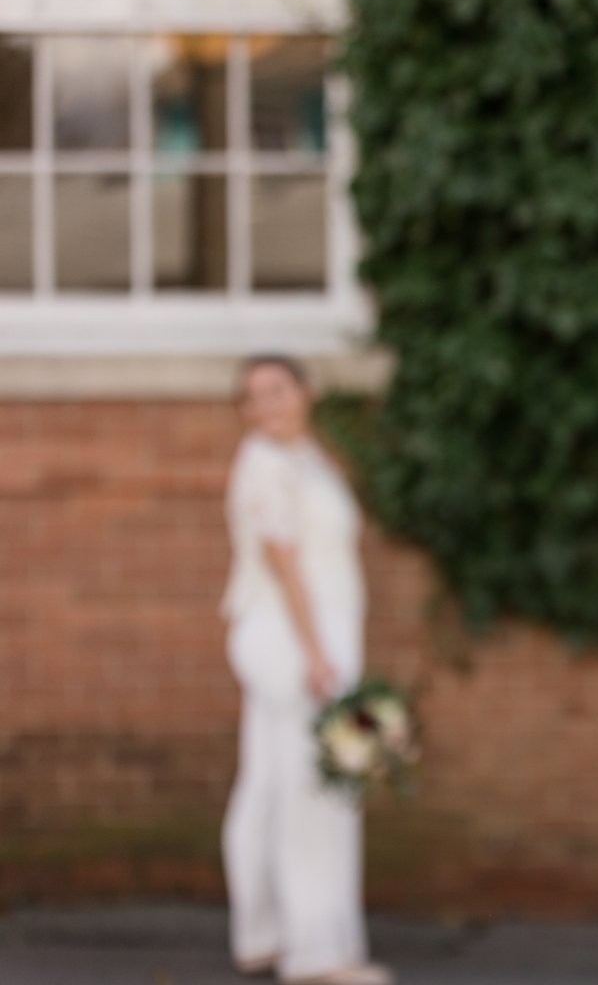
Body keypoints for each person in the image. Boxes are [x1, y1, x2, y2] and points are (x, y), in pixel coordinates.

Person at [220, 356, 393, 985]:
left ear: (306, 392)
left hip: (304, 638)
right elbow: (282, 558)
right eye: (251, 396)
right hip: (295, 641)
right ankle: (319, 955)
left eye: (275, 390)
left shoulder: (304, 457)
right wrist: (317, 652)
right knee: (315, 790)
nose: (263, 404)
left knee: (268, 783)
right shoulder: (265, 463)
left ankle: (261, 934)